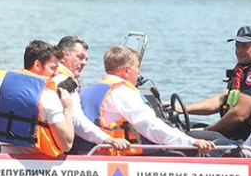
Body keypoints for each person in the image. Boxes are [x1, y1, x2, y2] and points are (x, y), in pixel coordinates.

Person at [80, 46, 214, 156]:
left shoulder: (90, 90)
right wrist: (191, 142)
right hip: (118, 155)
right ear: (127, 70)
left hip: (93, 152)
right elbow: (150, 126)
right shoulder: (123, 92)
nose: (139, 72)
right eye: (137, 67)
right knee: (183, 154)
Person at [179, 26, 251, 142]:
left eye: (245, 46)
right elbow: (220, 101)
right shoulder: (244, 71)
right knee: (179, 125)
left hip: (241, 140)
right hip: (229, 133)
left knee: (187, 136)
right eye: (237, 46)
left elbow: (239, 115)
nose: (239, 51)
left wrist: (208, 130)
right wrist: (181, 109)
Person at [0, 40, 75, 157]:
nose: (56, 73)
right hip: (39, 164)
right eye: (53, 68)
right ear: (37, 65)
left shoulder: (2, 86)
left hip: (6, 158)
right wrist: (67, 108)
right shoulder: (48, 97)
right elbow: (66, 144)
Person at [55, 35, 130, 153]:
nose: (84, 63)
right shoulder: (64, 83)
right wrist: (108, 139)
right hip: (59, 151)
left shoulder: (50, 75)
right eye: (80, 57)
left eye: (86, 59)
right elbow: (77, 121)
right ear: (63, 56)